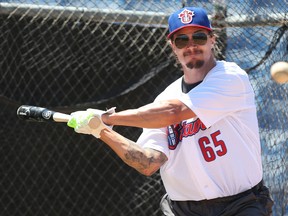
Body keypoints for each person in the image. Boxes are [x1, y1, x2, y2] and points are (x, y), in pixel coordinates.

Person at [67, 6, 274, 216]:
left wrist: (106, 117)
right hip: (182, 210)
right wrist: (100, 129)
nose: (191, 45)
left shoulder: (230, 77)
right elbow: (148, 162)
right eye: (182, 40)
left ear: (212, 39)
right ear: (173, 46)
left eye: (199, 36)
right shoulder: (164, 98)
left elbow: (175, 112)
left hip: (241, 205)